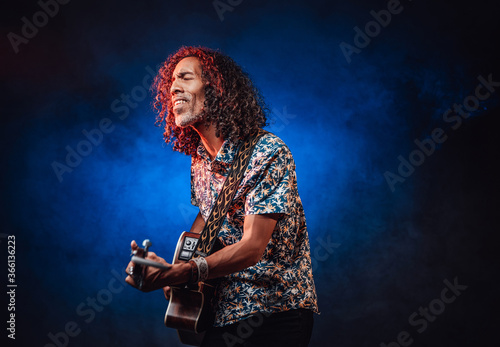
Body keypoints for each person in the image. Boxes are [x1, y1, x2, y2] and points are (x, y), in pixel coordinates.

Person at [125, 46, 319, 346]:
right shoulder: (200, 160)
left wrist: (183, 272)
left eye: (185, 78)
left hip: (274, 311)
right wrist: (166, 269)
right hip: (222, 311)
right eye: (171, 82)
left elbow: (252, 247)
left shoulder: (268, 152)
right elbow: (207, 220)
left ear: (216, 88)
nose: (173, 87)